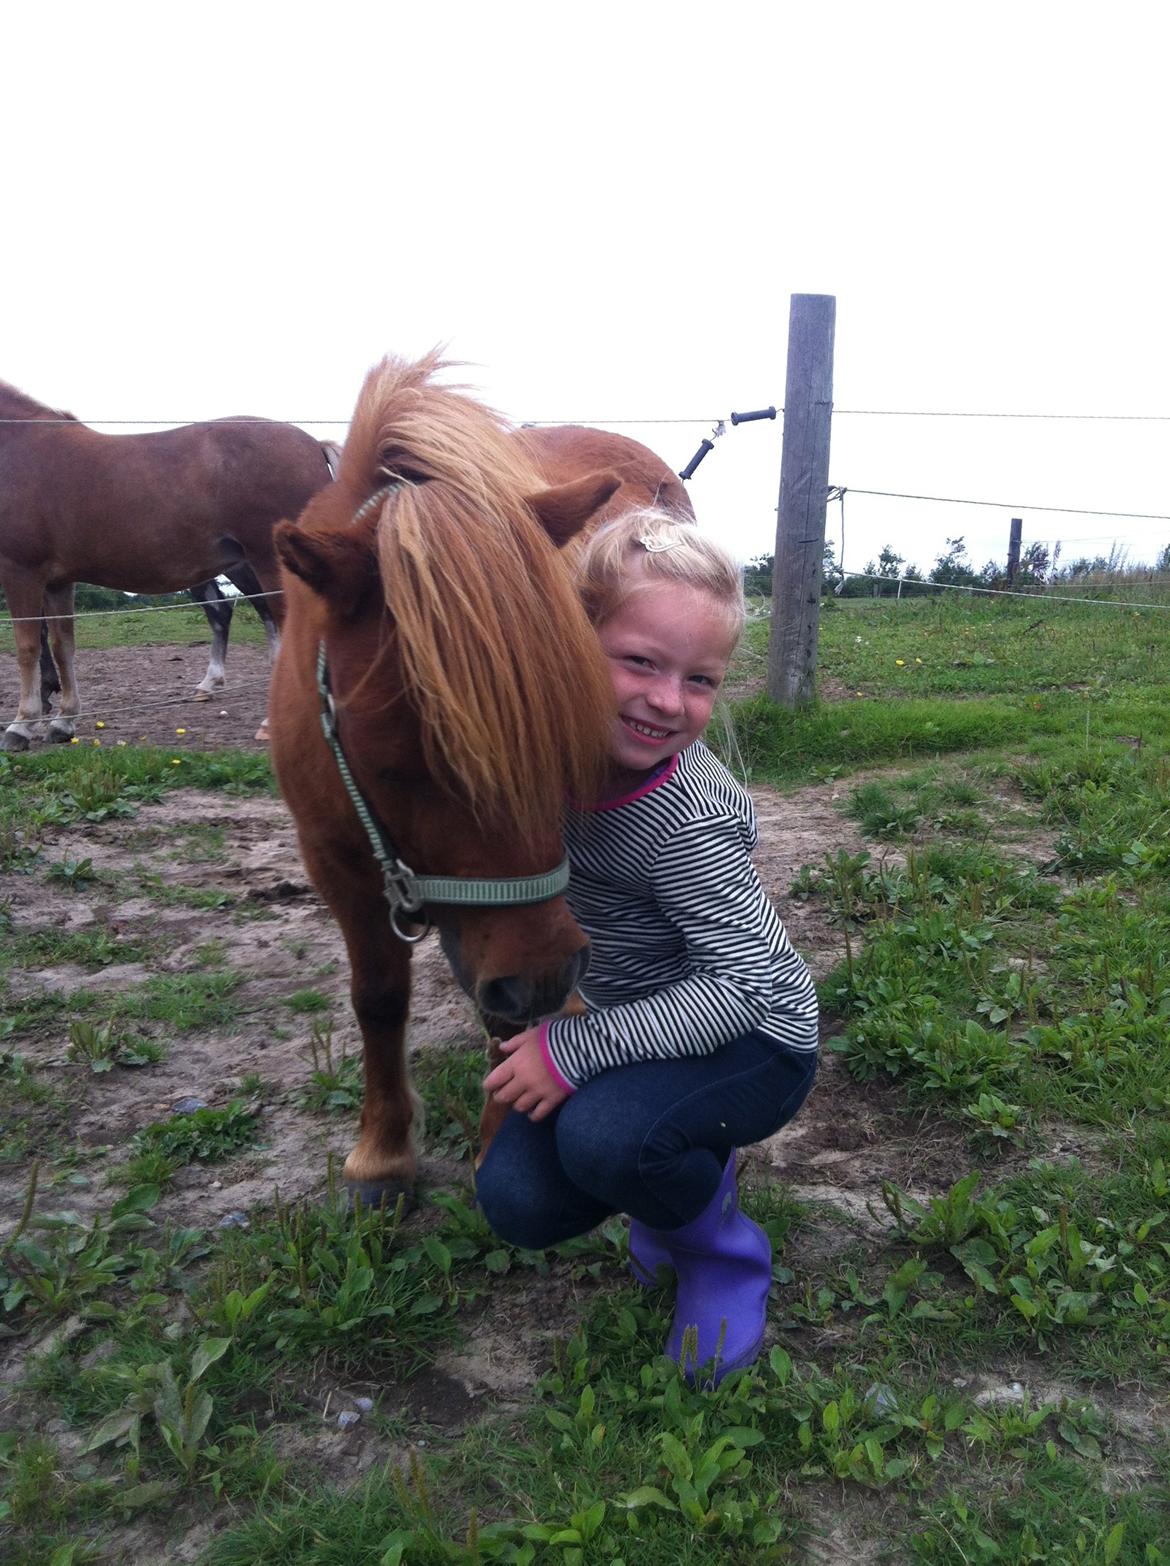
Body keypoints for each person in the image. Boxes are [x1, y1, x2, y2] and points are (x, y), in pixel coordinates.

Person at [477, 509, 819, 1384]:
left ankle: (722, 1252)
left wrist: (572, 1047)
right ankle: (678, 1165)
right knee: (515, 1198)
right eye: (639, 661)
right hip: (649, 1022)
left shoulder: (686, 821)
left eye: (700, 680)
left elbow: (742, 986)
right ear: (570, 645)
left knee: (607, 1139)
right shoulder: (547, 757)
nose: (669, 701)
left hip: (759, 1037)